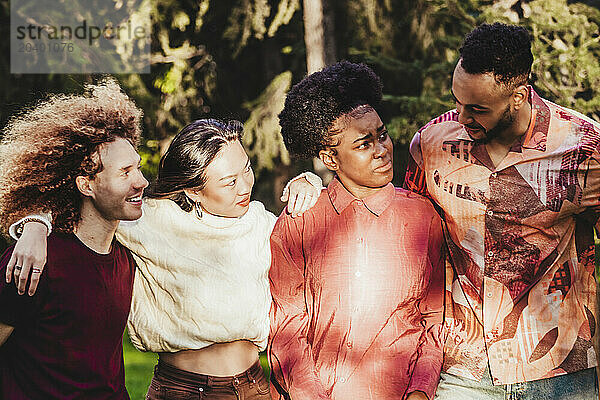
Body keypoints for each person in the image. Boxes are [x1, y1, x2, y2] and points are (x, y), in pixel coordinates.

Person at [9, 118, 322, 399]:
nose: (245, 186)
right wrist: (35, 224)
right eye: (229, 181)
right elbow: (85, 203)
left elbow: (326, 233)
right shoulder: (149, 221)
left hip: (255, 386)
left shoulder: (262, 222)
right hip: (185, 390)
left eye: (247, 170)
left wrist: (310, 182)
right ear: (193, 191)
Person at [404, 22, 600, 399]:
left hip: (558, 368)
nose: (461, 118)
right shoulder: (431, 143)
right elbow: (398, 216)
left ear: (519, 96)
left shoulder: (584, 147)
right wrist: (316, 187)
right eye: (457, 101)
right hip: (464, 362)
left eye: (477, 109)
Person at [269, 61, 445, 400]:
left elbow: (432, 319)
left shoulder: (424, 217)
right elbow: (286, 329)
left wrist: (421, 390)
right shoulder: (299, 221)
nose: (381, 150)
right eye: (364, 144)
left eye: (382, 135)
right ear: (329, 158)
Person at [0, 80, 148, 399]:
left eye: (138, 167)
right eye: (125, 172)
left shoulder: (127, 257)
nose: (142, 181)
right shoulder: (34, 260)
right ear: (86, 185)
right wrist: (35, 226)